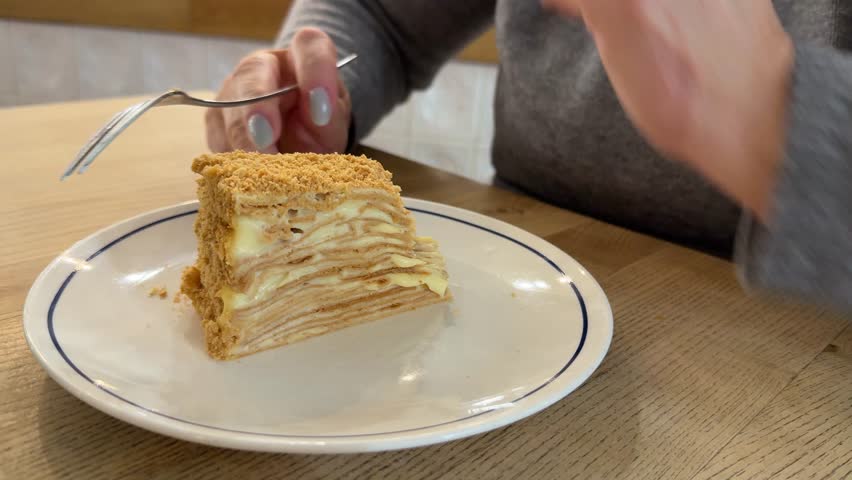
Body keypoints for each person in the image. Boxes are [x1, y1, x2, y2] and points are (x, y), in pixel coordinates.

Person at [206, 0, 852, 309]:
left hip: (793, 358)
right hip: (516, 286)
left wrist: (773, 114)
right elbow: (377, 16)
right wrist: (317, 92)